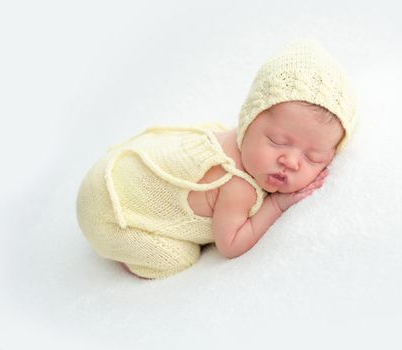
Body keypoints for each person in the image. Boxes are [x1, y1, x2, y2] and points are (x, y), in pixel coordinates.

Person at [76, 39, 357, 280]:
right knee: (178, 258)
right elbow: (231, 245)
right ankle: (124, 251)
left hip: (115, 170)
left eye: (313, 157)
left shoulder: (235, 139)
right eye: (278, 142)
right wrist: (277, 204)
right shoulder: (238, 186)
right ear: (248, 120)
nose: (291, 161)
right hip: (109, 212)